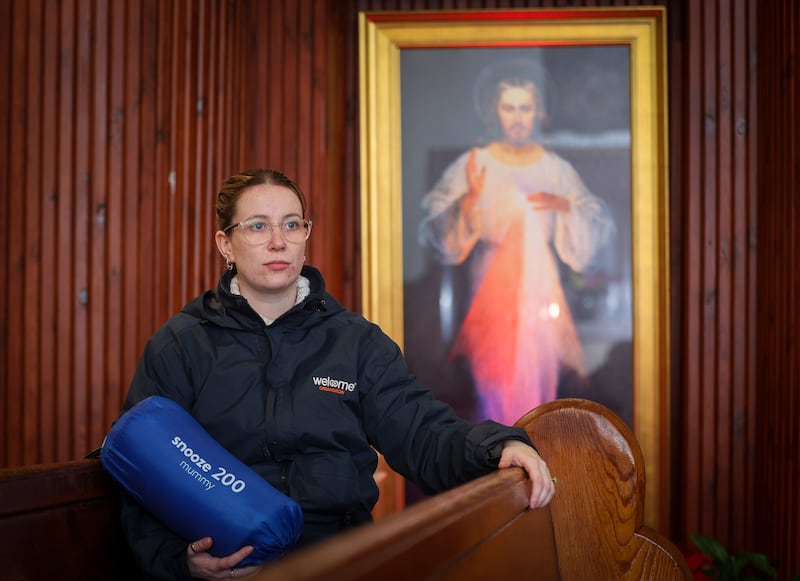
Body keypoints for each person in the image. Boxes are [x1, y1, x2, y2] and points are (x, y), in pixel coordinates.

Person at [117, 168, 556, 580]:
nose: (278, 241)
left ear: (306, 237)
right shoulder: (181, 345)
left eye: (292, 225)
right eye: (257, 226)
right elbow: (142, 462)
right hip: (233, 567)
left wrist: (496, 447)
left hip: (342, 561)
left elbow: (421, 430)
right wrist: (181, 562)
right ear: (225, 244)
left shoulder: (356, 342)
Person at [419, 60, 616, 426]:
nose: (518, 117)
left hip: (541, 294)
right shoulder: (475, 163)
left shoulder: (554, 168)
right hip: (490, 292)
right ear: (495, 111)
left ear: (539, 111)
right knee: (493, 388)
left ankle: (536, 462)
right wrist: (468, 200)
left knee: (541, 385)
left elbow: (593, 217)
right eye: (509, 107)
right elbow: (436, 223)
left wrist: (564, 206)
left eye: (525, 107)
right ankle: (498, 468)